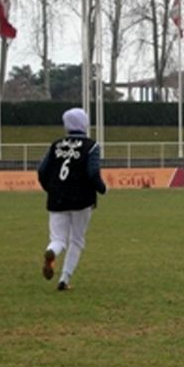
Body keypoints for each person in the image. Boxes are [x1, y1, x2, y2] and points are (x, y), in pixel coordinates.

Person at [37, 108, 107, 291]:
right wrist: (102, 188)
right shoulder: (91, 146)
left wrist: (50, 189)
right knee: (76, 240)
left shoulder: (56, 145)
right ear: (84, 123)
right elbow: (93, 173)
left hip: (57, 198)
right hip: (81, 200)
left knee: (59, 238)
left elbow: (42, 171)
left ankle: (52, 250)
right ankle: (64, 279)